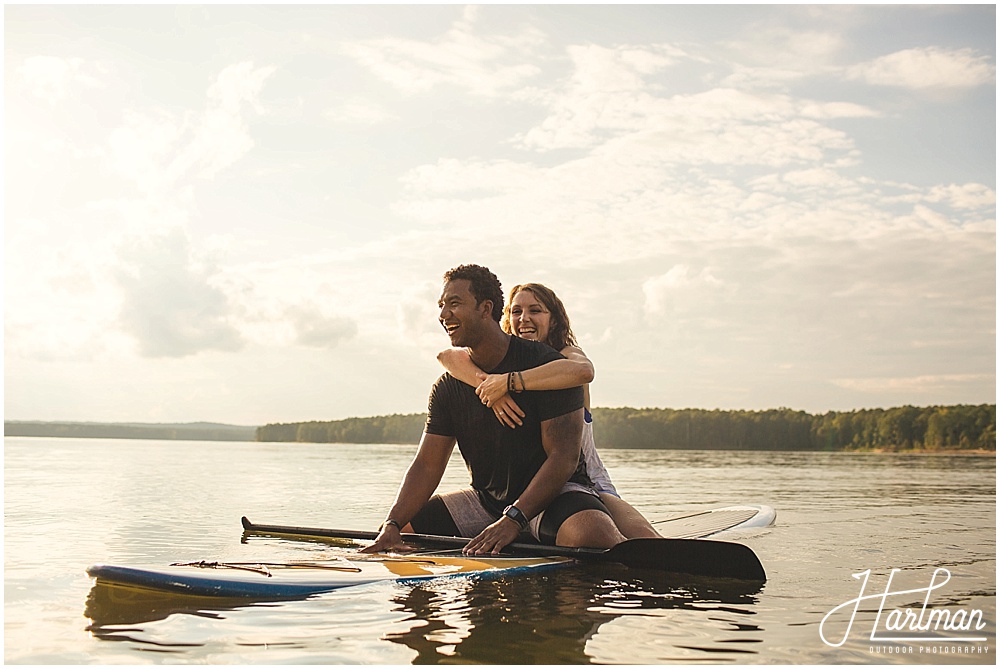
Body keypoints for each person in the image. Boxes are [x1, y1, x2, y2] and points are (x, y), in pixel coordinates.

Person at [363, 265, 625, 556]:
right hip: (488, 501)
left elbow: (563, 458)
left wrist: (514, 519)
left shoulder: (548, 367)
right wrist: (393, 522)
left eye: (454, 304)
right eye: (441, 305)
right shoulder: (448, 386)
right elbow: (427, 465)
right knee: (406, 533)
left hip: (554, 496)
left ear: (485, 308)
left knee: (593, 535)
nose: (443, 315)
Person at [437, 282, 660, 539]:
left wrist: (508, 381)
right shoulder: (500, 363)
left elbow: (583, 372)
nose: (524, 319)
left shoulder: (565, 355)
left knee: (644, 539)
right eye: (516, 311)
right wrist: (489, 388)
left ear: (553, 320)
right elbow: (446, 356)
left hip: (582, 479)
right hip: (523, 489)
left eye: (536, 311)